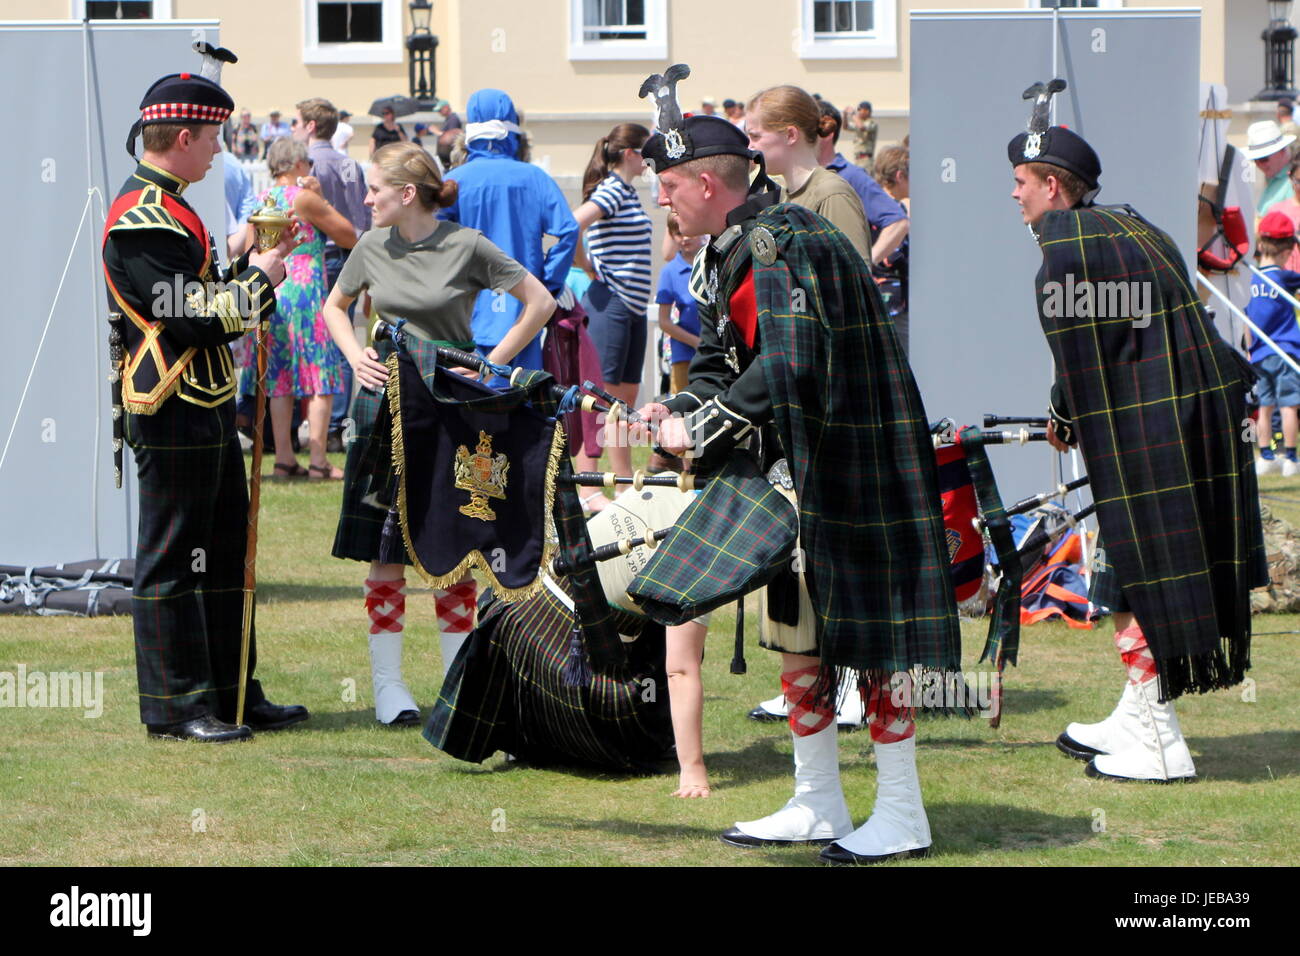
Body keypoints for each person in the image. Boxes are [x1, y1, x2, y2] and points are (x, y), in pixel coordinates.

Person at [634, 85, 961, 863]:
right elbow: (726, 359)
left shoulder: (779, 241)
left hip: (847, 466)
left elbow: (793, 360)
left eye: (669, 187)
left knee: (873, 644)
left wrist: (704, 425)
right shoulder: (735, 250)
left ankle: (904, 813)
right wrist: (679, 408)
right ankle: (818, 801)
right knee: (801, 638)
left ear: (706, 185)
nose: (662, 202)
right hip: (793, 471)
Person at [1009, 99, 1265, 782]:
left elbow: (1081, 362)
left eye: (1021, 182)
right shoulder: (1134, 225)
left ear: (1052, 187)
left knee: (1141, 570)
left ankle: (1160, 745)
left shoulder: (1063, 252)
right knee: (1129, 570)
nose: (1014, 194)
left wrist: (1062, 412)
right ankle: (1136, 712)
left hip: (1154, 431)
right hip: (1196, 417)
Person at [103, 71, 308, 743]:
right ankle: (175, 707)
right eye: (213, 137)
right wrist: (263, 280)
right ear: (183, 137)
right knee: (171, 561)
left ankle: (231, 694)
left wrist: (249, 260)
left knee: (224, 556)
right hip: (170, 405)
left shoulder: (175, 205)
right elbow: (187, 317)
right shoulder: (142, 218)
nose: (220, 150)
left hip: (208, 401)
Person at [323, 142, 555, 726]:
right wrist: (354, 356)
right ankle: (388, 690)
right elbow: (335, 307)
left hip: (451, 409)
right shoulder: (371, 245)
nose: (365, 198)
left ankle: (457, 688)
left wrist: (487, 363)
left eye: (374, 189)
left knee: (457, 545)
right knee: (385, 548)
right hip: (384, 406)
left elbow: (540, 301)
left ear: (407, 194)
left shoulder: (466, 244)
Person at [240, 137, 356, 480]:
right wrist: (320, 197)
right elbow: (347, 234)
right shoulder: (304, 198)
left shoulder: (261, 200)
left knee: (279, 379)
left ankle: (284, 458)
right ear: (296, 164)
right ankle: (318, 459)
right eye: (306, 161)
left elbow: (248, 253)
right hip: (305, 291)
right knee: (320, 375)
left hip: (273, 290)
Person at [439, 88, 579, 371]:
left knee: (464, 405)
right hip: (522, 318)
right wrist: (546, 285)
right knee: (519, 403)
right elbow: (568, 231)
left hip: (464, 319)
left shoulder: (453, 181)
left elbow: (428, 238)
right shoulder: (535, 178)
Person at [572, 123, 653, 484]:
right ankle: (587, 477)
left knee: (622, 398)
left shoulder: (629, 192)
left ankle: (620, 479)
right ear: (630, 154)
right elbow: (573, 224)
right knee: (597, 393)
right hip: (611, 302)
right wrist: (586, 266)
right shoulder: (614, 189)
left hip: (631, 305)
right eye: (647, 151)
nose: (651, 158)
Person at [295, 97, 371, 451]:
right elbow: (364, 218)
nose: (294, 129)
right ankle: (339, 422)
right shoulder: (350, 165)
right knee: (344, 340)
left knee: (317, 340)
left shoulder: (308, 168)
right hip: (351, 255)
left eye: (297, 123)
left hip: (319, 257)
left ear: (310, 126)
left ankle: (323, 421)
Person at [744, 85, 872, 264]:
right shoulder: (782, 194)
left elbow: (856, 279)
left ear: (790, 135)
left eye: (756, 137)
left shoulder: (831, 194)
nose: (750, 146)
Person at [1246, 210, 1300, 477]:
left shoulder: (1252, 278)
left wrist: (1249, 349)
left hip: (1260, 353)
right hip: (1287, 351)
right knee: (1289, 405)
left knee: (1264, 407)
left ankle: (1265, 454)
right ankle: (1290, 456)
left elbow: (1247, 318)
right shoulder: (1285, 278)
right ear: (1288, 249)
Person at [655, 212, 703, 394]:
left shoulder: (712, 261)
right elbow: (664, 321)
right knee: (683, 412)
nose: (684, 238)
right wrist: (695, 342)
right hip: (684, 354)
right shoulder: (670, 271)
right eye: (678, 233)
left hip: (715, 352)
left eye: (688, 231)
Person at [1245, 120, 1297, 219]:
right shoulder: (1274, 177)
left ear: (1282, 151)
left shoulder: (1294, 181)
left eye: (1263, 159)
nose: (1259, 164)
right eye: (1255, 160)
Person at [843, 100, 878, 173]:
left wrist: (852, 114)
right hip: (858, 158)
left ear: (867, 111)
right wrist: (845, 115)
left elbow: (862, 127)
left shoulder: (872, 123)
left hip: (866, 159)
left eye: (860, 109)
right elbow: (845, 127)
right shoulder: (858, 122)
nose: (858, 112)